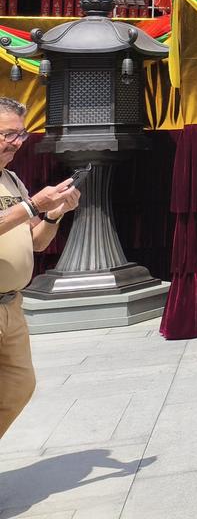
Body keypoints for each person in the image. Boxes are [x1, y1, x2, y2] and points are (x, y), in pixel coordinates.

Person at [0, 97, 80, 439]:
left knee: (19, 385)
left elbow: (36, 242)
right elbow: (24, 213)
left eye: (21, 134)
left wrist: (54, 214)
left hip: (11, 305)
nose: (18, 143)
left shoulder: (11, 179)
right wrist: (32, 205)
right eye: (9, 134)